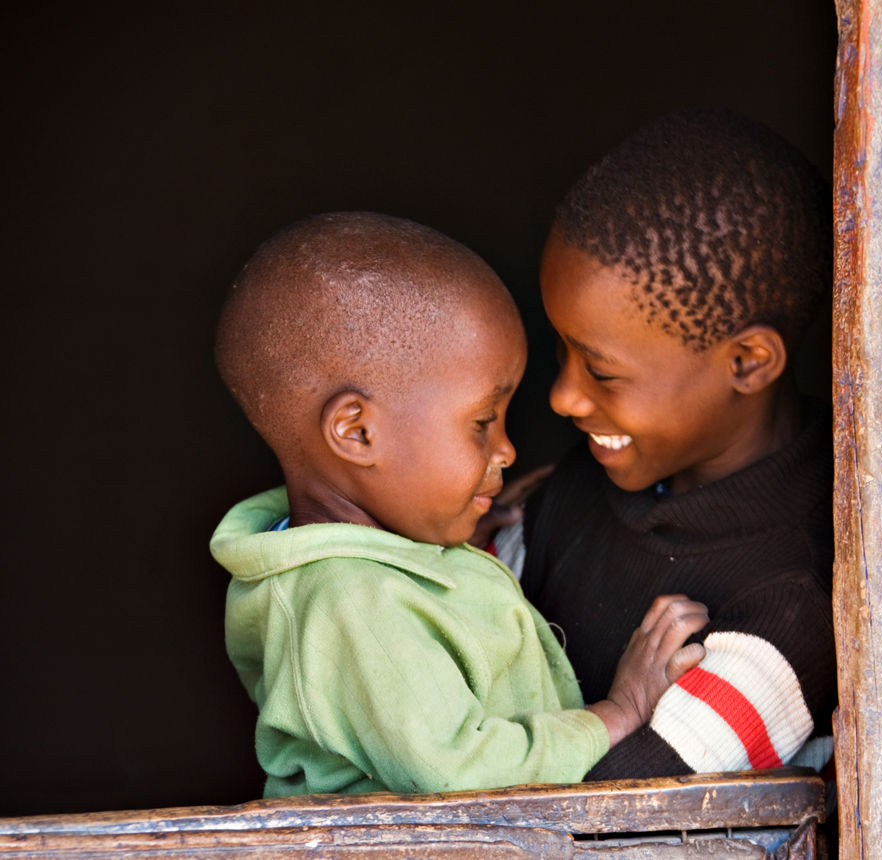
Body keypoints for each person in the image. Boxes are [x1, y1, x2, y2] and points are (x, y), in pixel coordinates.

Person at [210, 211, 707, 798]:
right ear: (358, 432)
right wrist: (618, 713)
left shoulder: (368, 569)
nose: (507, 449)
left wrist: (447, 543)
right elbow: (456, 773)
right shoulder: (350, 600)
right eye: (482, 422)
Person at [518, 110, 837, 780]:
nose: (563, 398)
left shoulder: (788, 604)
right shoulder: (575, 489)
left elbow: (601, 820)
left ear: (747, 362)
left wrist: (623, 708)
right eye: (561, 350)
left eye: (600, 371)